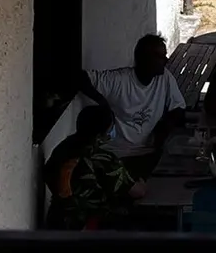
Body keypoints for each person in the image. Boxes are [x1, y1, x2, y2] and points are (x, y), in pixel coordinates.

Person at [78, 34, 186, 181]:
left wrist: (165, 126)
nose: (166, 60)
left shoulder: (164, 78)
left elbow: (178, 108)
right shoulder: (119, 80)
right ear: (145, 59)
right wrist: (102, 102)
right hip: (117, 155)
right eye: (160, 56)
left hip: (149, 153)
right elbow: (80, 78)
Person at [43, 105, 147, 230]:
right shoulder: (102, 159)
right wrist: (142, 183)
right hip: (85, 226)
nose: (112, 131)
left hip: (55, 221)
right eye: (111, 128)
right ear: (100, 135)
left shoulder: (64, 147)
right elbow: (137, 192)